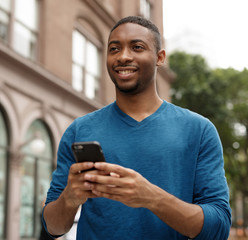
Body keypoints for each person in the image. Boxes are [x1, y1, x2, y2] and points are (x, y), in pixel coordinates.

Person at [42, 16, 231, 239]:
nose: (123, 56)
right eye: (114, 49)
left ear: (160, 57)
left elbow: (219, 227)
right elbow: (53, 227)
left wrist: (151, 197)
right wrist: (70, 198)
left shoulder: (199, 130)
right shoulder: (79, 130)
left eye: (137, 47)